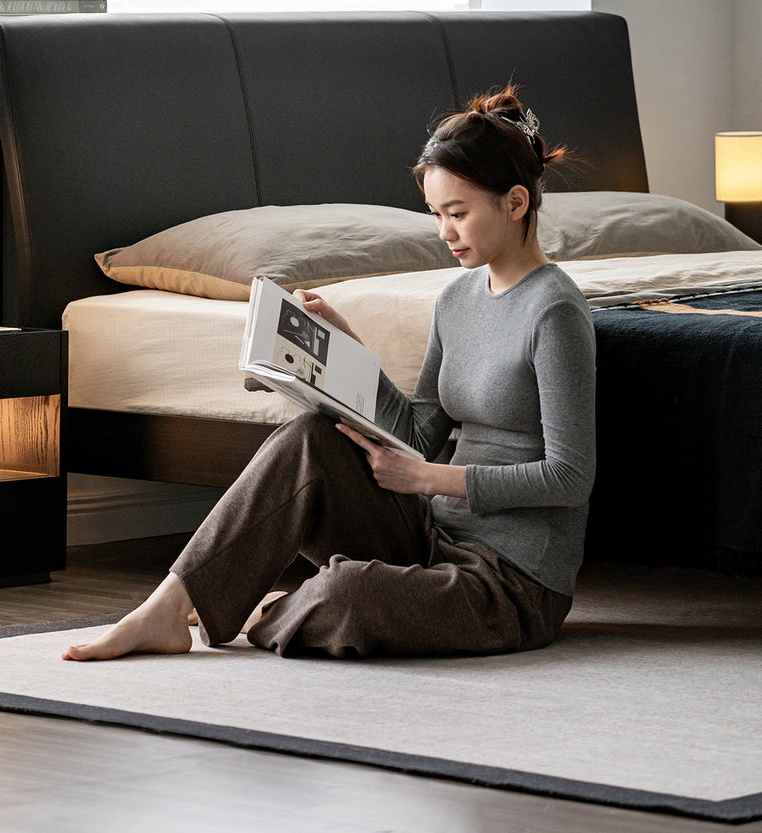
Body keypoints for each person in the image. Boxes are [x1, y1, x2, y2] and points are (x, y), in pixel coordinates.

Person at [63, 83, 596, 661]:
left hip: (512, 583)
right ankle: (167, 609)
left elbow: (570, 478)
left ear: (515, 203)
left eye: (458, 213)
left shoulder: (556, 312)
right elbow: (420, 435)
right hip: (431, 538)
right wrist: (348, 350)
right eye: (436, 214)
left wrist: (429, 480)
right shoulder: (456, 299)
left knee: (348, 595)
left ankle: (276, 608)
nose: (444, 232)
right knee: (310, 438)